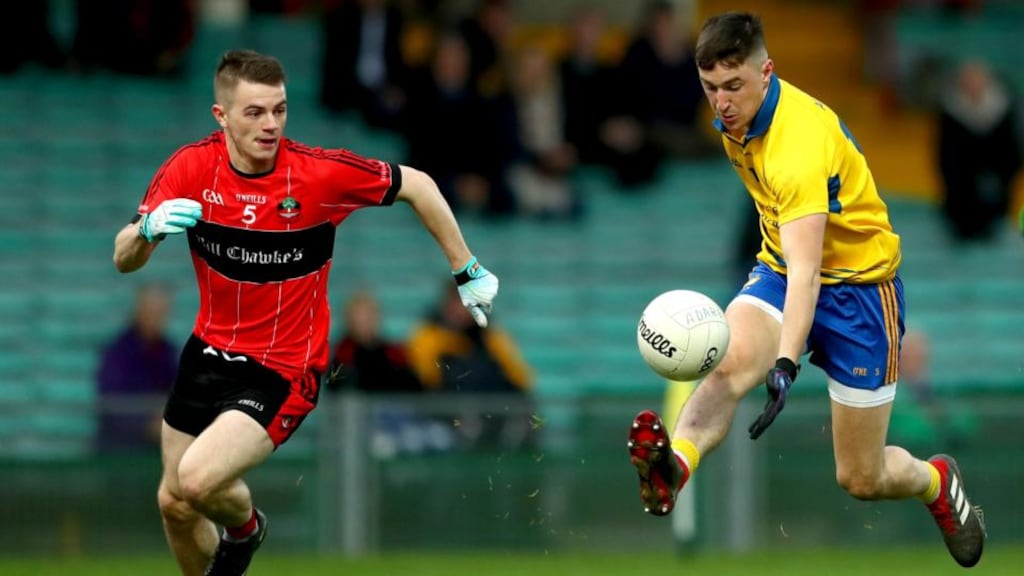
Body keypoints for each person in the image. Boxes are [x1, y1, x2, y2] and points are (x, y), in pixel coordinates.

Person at [111, 50, 498, 576]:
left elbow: (418, 185)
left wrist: (466, 269)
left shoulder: (319, 175)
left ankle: (246, 530)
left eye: (279, 110)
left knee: (195, 481)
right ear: (220, 116)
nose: (270, 124)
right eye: (254, 112)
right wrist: (148, 230)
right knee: (174, 504)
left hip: (283, 367)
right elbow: (123, 258)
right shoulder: (190, 167)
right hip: (206, 353)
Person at [625, 12, 985, 569]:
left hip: (860, 293)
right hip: (781, 270)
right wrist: (767, 354)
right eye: (711, 88)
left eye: (733, 86)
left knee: (862, 477)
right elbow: (792, 265)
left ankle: (934, 481)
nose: (721, 102)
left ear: (766, 72)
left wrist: (787, 363)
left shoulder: (796, 145)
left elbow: (810, 272)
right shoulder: (733, 120)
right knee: (726, 367)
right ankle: (675, 465)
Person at [407, 281, 534, 451]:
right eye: (457, 302)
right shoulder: (429, 335)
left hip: (492, 410)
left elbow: (521, 377)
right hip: (451, 413)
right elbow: (427, 378)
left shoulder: (490, 336)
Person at [937, 60, 1021, 242]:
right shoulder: (952, 112)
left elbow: (1011, 151)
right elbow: (944, 154)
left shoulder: (1002, 108)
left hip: (996, 191)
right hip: (960, 194)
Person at [95, 284, 179, 454]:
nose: (155, 319)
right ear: (139, 311)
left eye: (160, 313)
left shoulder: (168, 353)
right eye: (151, 312)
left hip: (156, 453)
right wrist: (147, 425)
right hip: (119, 450)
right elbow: (112, 404)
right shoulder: (117, 353)